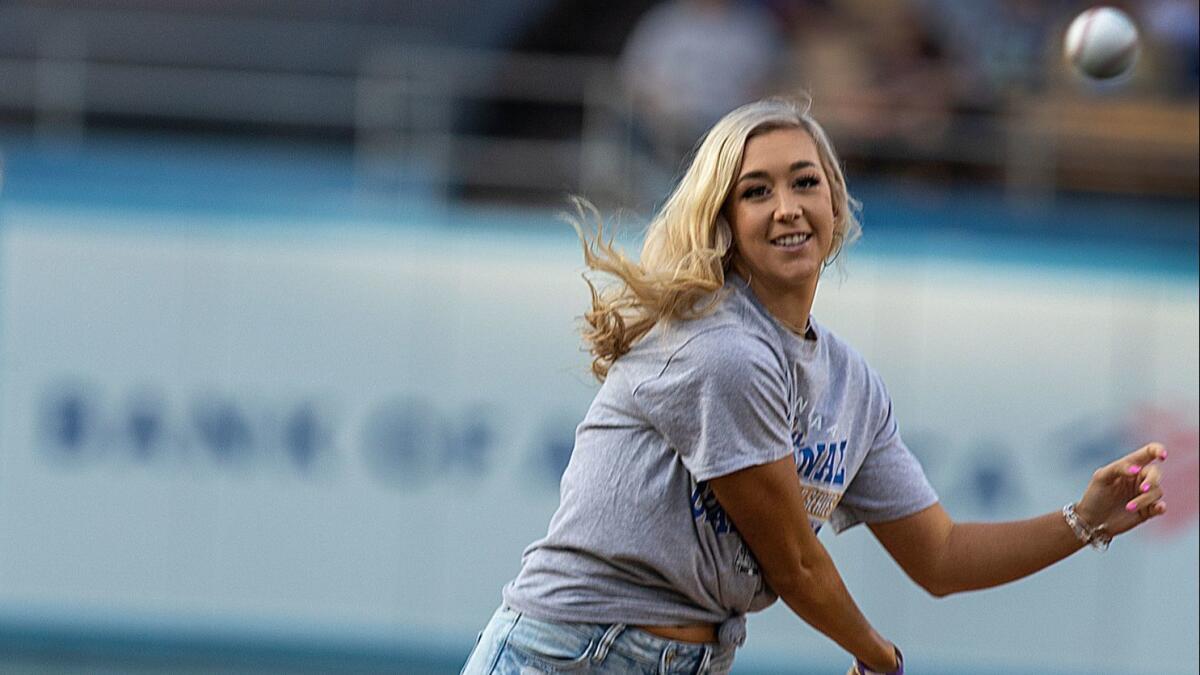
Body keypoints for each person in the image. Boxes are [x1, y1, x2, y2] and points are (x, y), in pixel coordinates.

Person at [459, 96, 1169, 675]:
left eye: (805, 181)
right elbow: (795, 561)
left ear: (835, 201)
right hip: (571, 653)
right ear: (725, 224)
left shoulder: (850, 382)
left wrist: (1085, 520)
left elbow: (941, 556)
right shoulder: (721, 350)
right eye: (756, 191)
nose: (787, 206)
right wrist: (878, 658)